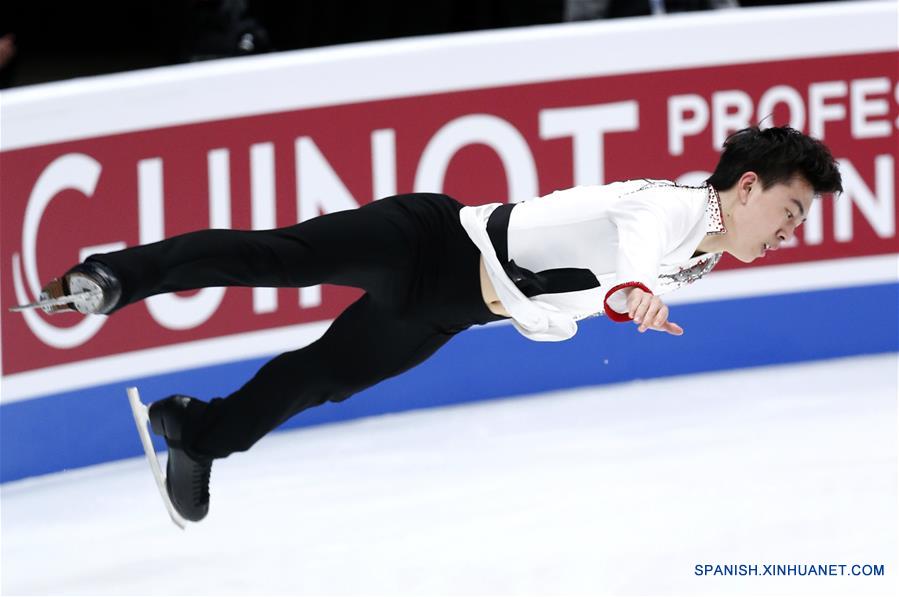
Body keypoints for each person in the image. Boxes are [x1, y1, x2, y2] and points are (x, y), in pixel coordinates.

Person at [26, 125, 842, 523]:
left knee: (321, 379)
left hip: (452, 309)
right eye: (788, 209)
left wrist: (628, 293)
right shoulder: (669, 210)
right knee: (276, 258)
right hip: (429, 242)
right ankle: (110, 276)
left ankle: (195, 434)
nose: (787, 230)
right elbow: (629, 246)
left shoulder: (696, 253)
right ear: (744, 187)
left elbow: (612, 271)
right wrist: (630, 294)